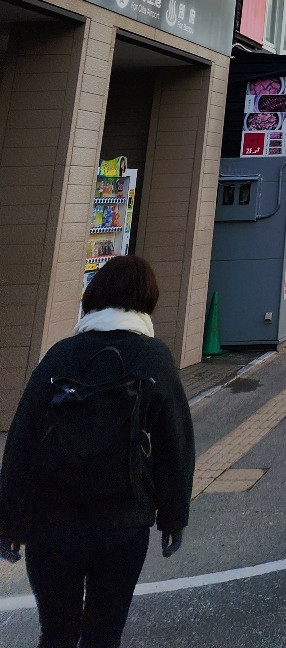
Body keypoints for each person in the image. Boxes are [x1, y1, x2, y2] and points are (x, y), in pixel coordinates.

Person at [0, 255, 194, 647]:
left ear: (94, 296)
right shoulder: (153, 357)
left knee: (57, 632)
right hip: (123, 523)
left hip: (52, 523)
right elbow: (175, 443)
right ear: (147, 300)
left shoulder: (61, 354)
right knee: (104, 634)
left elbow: (22, 438)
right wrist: (173, 517)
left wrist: (9, 522)